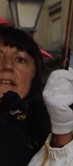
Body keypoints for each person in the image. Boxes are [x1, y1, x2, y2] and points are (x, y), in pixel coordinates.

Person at [0, 24, 50, 165]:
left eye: (20, 59)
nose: (7, 66)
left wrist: (62, 132)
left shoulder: (46, 132)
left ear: (34, 73)